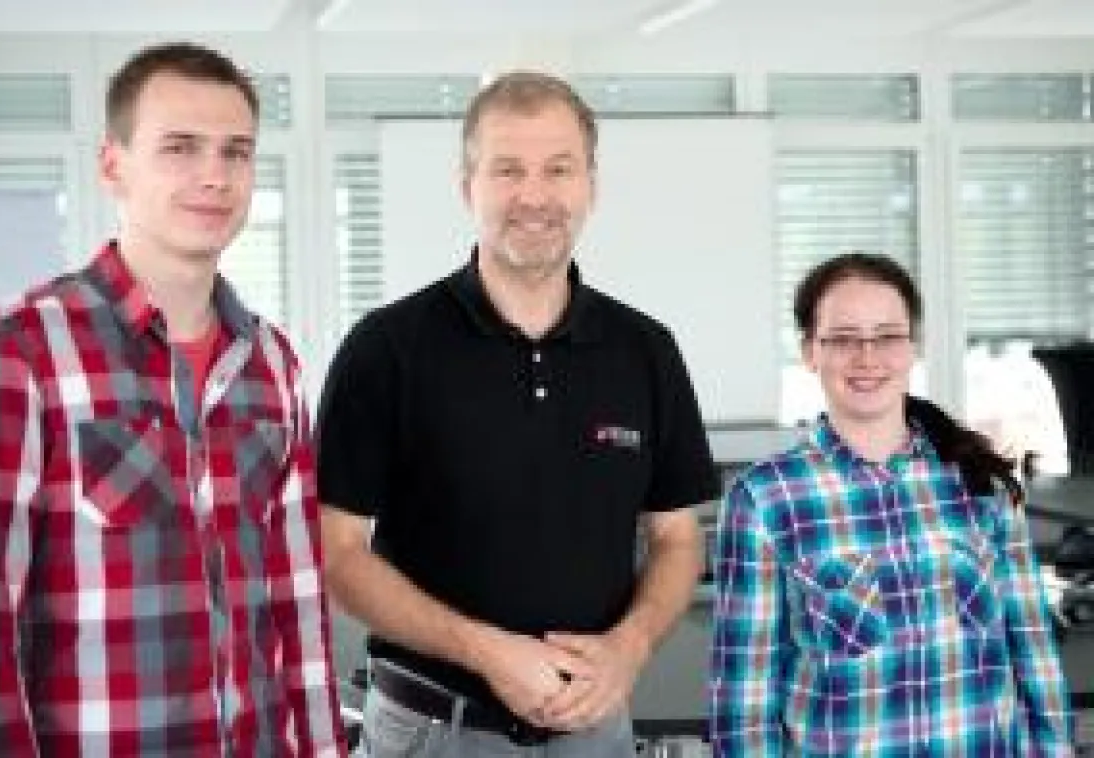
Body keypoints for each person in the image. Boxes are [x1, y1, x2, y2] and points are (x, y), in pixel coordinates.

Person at [0, 42, 345, 757]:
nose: (214, 176)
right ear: (112, 165)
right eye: (180, 147)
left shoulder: (272, 362)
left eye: (236, 151)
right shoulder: (15, 347)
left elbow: (297, 603)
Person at [314, 70, 721, 757]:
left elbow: (678, 539)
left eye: (558, 169)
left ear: (591, 184)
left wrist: (631, 645)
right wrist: (481, 648)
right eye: (507, 170)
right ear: (466, 185)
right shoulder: (386, 348)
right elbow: (335, 551)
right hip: (431, 734)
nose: (534, 195)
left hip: (597, 731)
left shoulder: (646, 350)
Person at [709, 252, 1073, 755]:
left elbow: (1034, 655)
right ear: (811, 352)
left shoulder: (979, 480)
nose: (867, 357)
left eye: (887, 335)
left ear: (911, 348)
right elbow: (744, 710)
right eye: (842, 338)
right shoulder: (765, 500)